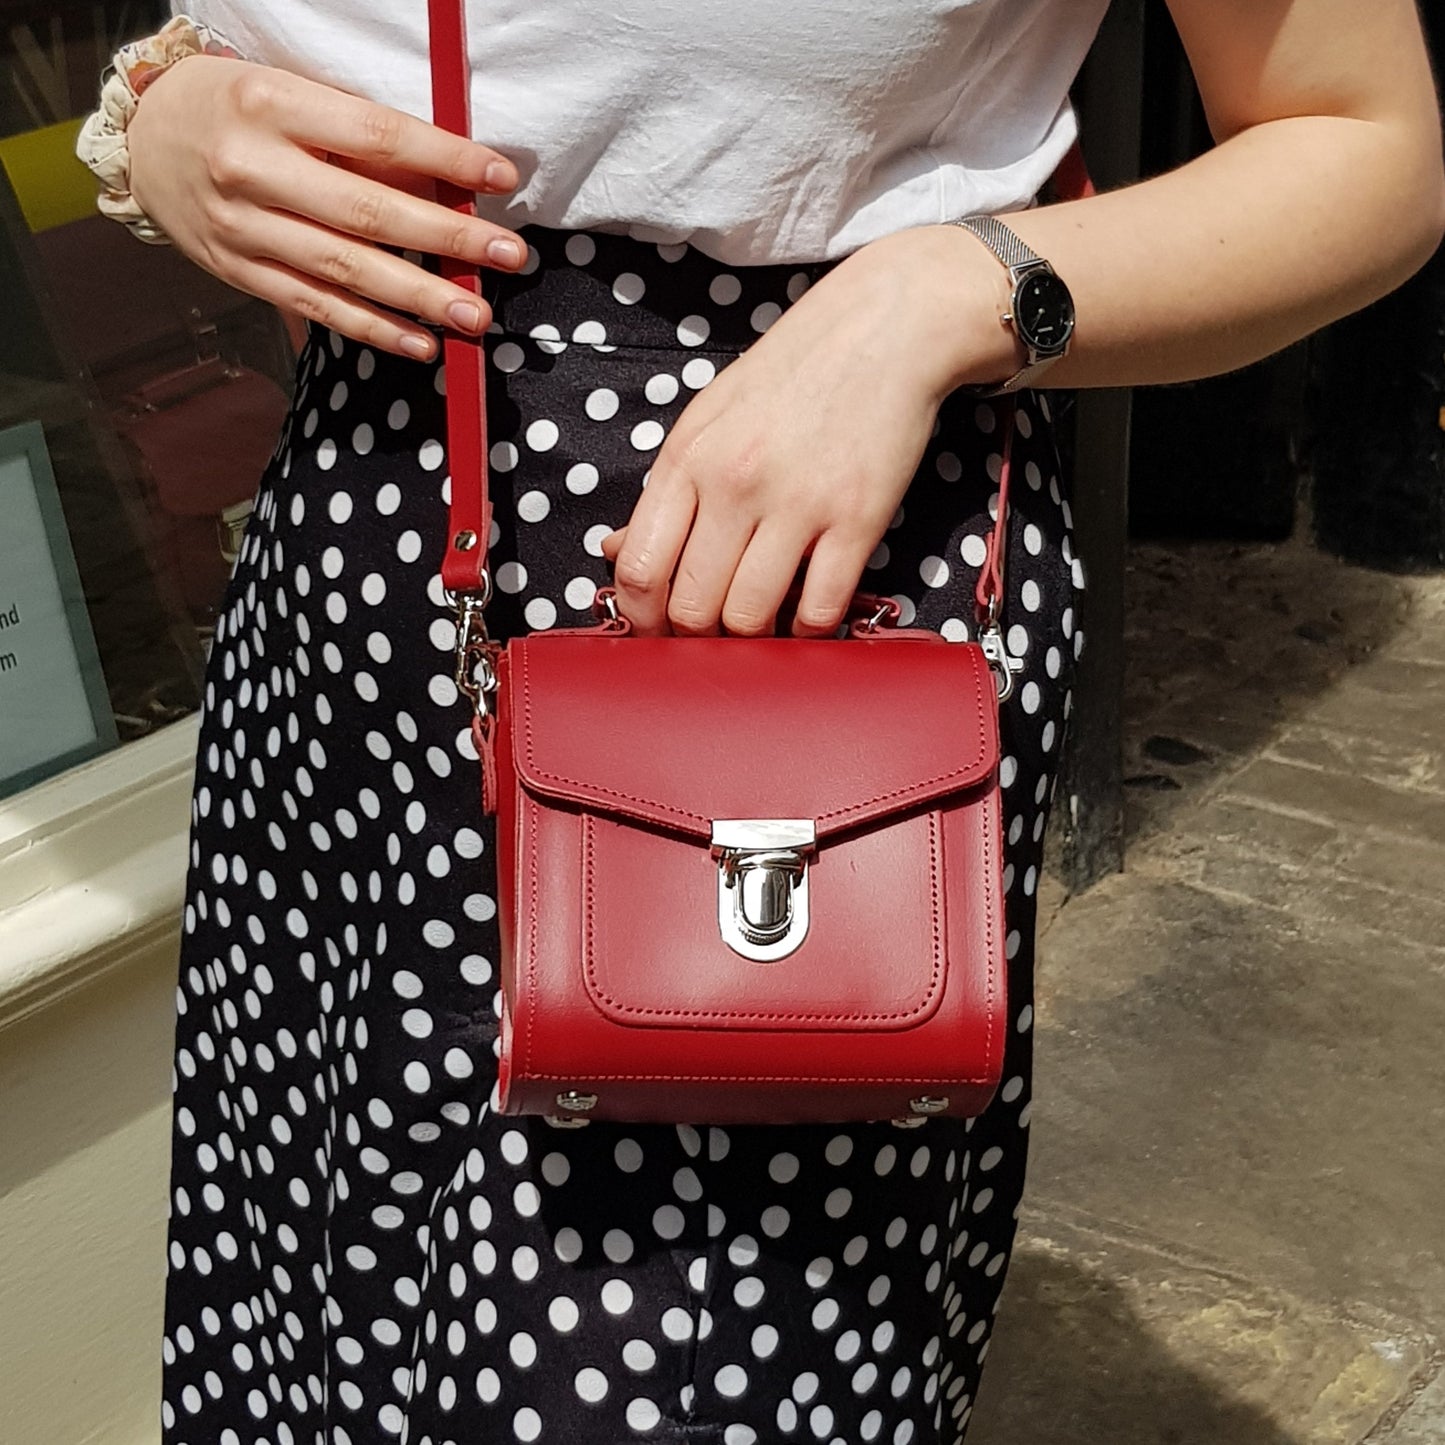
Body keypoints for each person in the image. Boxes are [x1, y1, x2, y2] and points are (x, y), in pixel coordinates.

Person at [85, 2, 1442, 1442]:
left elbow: (1363, 145)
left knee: (678, 1361)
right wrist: (161, 109)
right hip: (360, 583)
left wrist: (936, 301)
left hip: (802, 597)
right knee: (317, 1301)